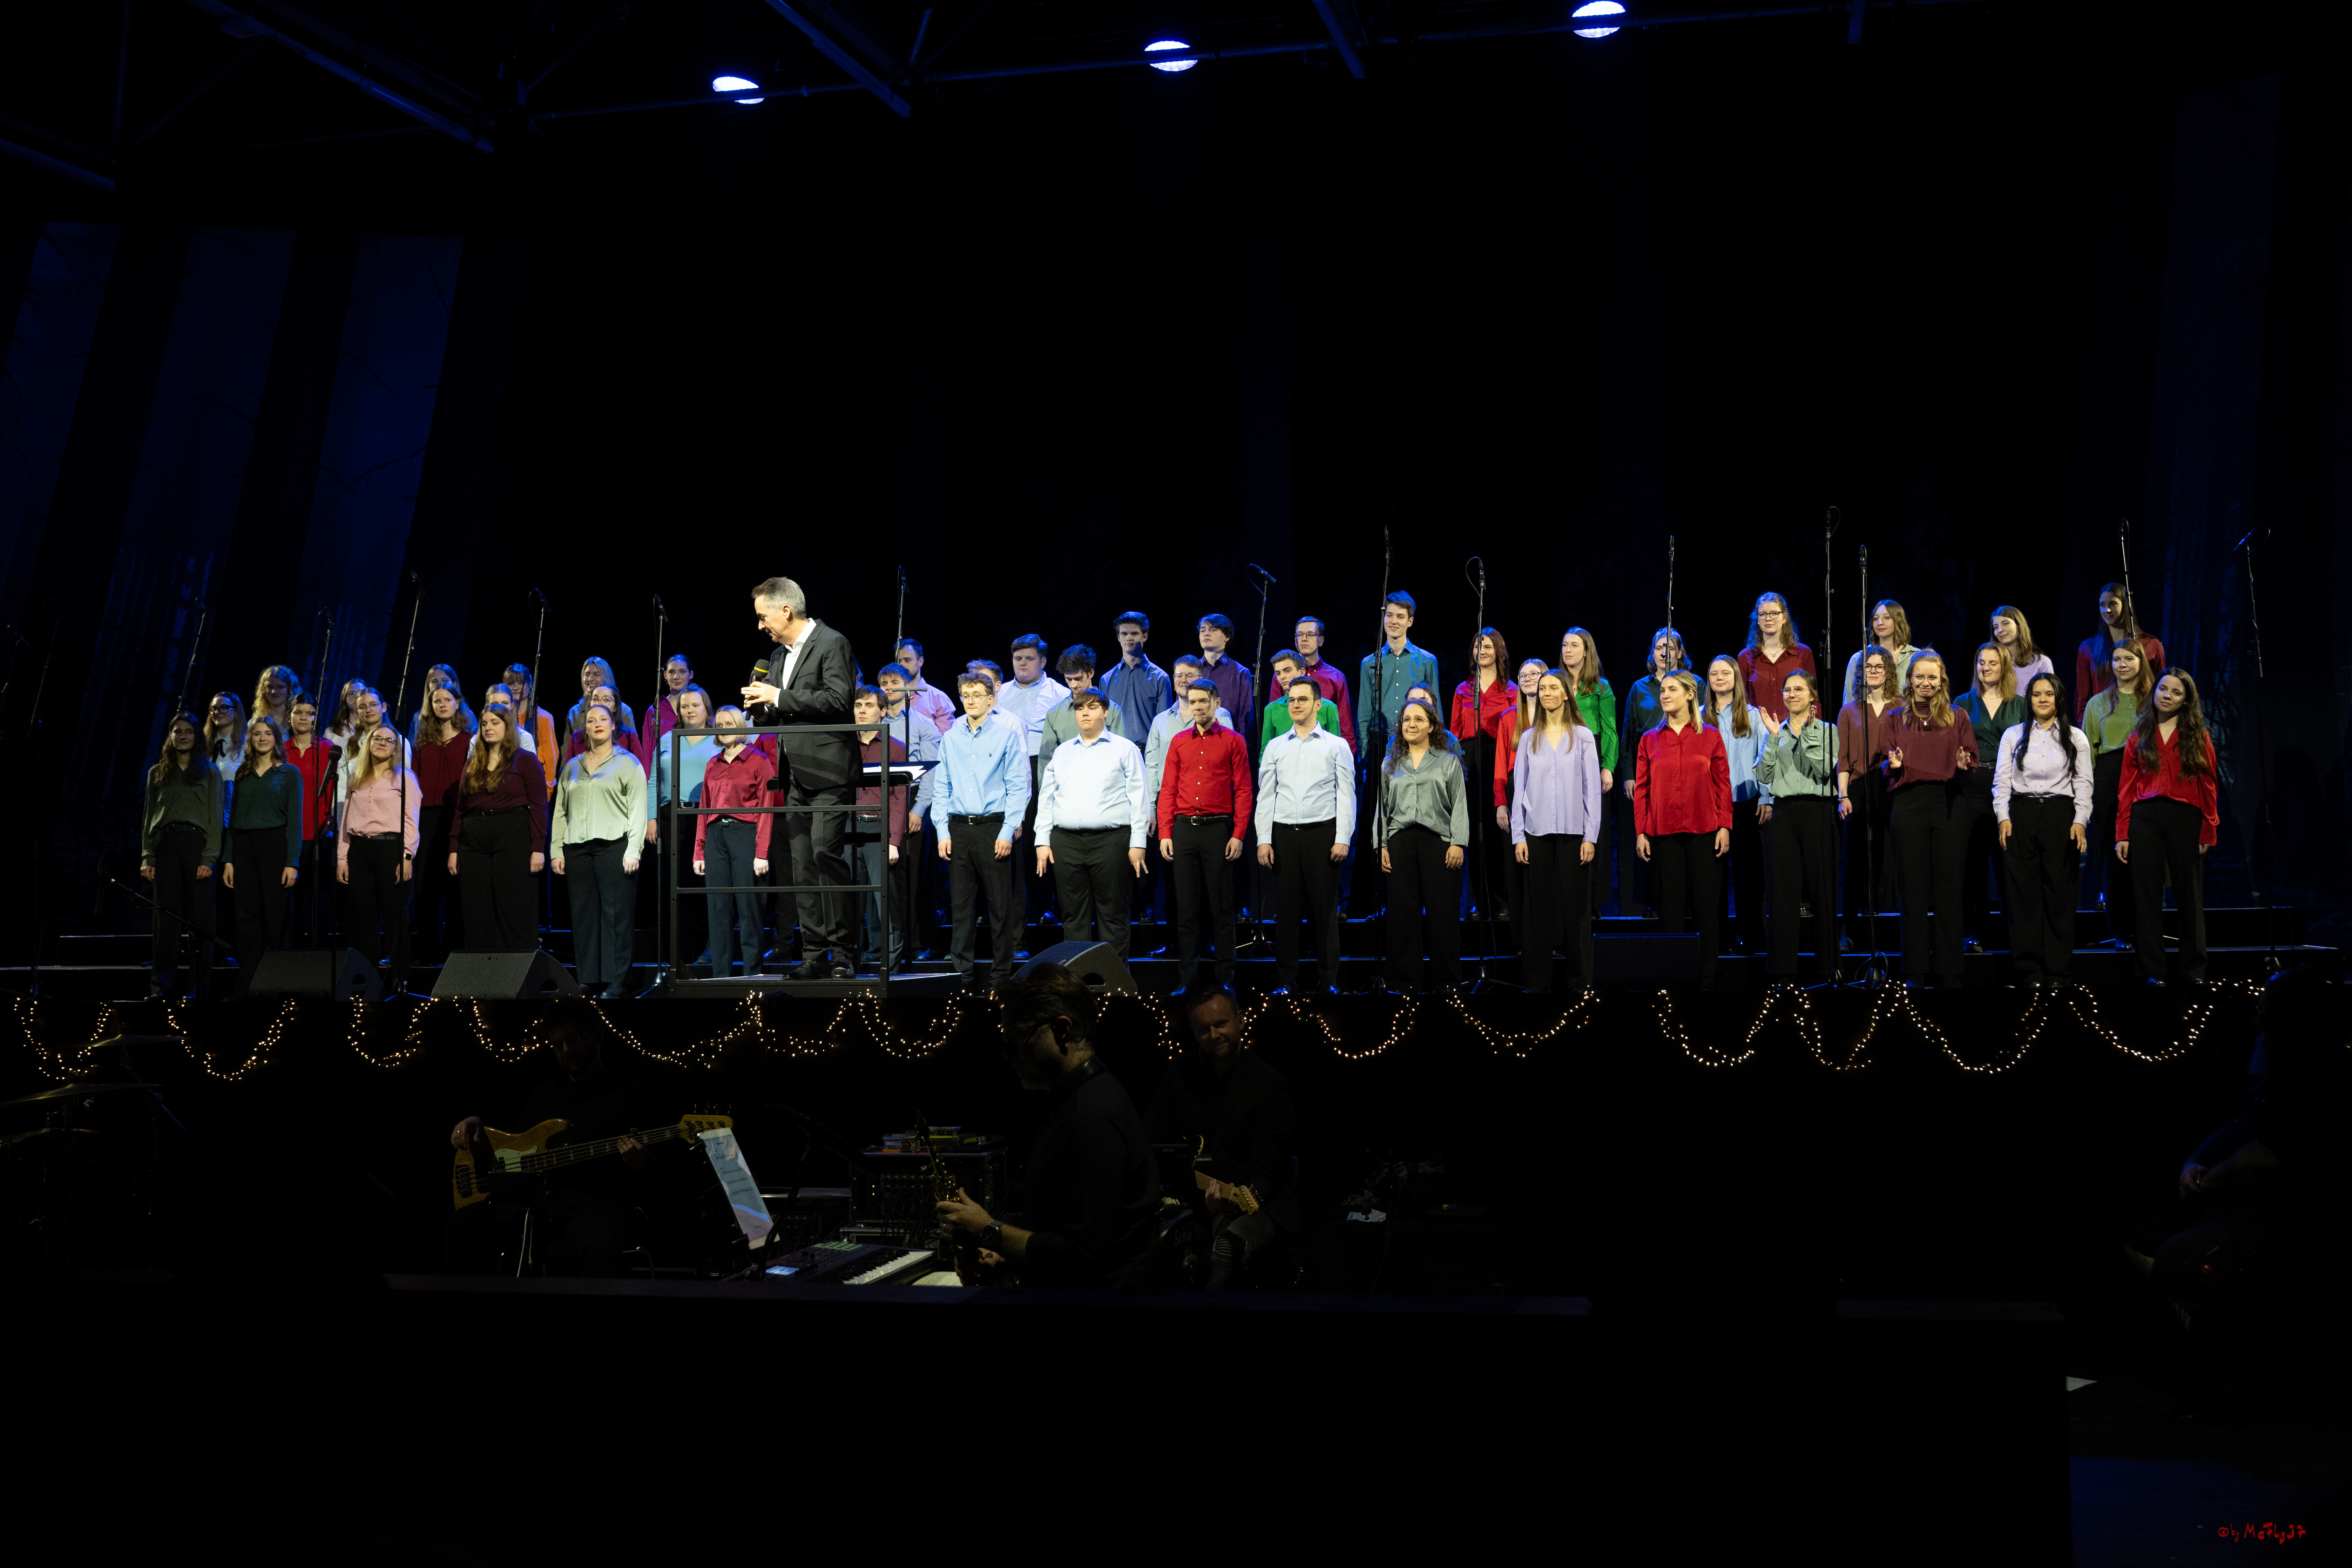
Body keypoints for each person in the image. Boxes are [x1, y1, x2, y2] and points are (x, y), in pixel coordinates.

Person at [2122, 967, 2349, 1395]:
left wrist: (2209, 1183)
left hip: (2279, 1217)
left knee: (2175, 1255)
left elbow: (2267, 1158)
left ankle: (2242, 1345)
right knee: (2143, 1238)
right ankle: (2218, 1335)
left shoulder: (2319, 1076)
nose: (2259, 1020)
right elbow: (2235, 1128)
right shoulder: (2279, 1072)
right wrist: (2195, 1162)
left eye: (2269, 1010)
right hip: (2235, 1204)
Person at [933, 965, 1161, 1289]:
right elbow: (1062, 1231)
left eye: (1017, 1037)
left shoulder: (1092, 1117)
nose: (1007, 1054)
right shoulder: (1087, 1099)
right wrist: (1010, 1252)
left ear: (1062, 1031)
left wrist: (990, 1232)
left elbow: (1082, 1257)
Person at [446, 1001, 663, 1277]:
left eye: (573, 1040)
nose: (565, 1051)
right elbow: (512, 1150)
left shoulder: (631, 1096)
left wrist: (640, 1164)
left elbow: (662, 1174)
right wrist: (477, 1125)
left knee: (601, 1242)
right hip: (533, 1205)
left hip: (595, 1204)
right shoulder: (544, 1095)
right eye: (557, 1045)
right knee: (461, 1225)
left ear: (597, 1036)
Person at [742, 575, 860, 979]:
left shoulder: (832, 643)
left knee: (826, 854)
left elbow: (839, 699)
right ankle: (813, 953)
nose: (761, 626)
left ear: (785, 610)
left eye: (763, 617)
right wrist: (761, 705)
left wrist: (779, 697)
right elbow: (779, 713)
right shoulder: (776, 658)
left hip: (829, 771)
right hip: (794, 775)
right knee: (802, 864)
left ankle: (843, 951)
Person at [1147, 988, 1304, 1290]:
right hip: (1193, 1198)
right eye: (1204, 1030)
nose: (1214, 1035)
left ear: (1241, 1021)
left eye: (1221, 1024)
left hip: (1255, 1203)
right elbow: (1150, 1139)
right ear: (1193, 1033)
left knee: (1226, 1248)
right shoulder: (1180, 1074)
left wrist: (1231, 1202)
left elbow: (1266, 1177)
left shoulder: (1268, 1085)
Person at [2117, 668, 2218, 987]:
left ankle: (2194, 971)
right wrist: (2122, 832)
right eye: (2164, 689)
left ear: (2187, 700)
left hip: (2186, 818)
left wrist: (2209, 828)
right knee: (2146, 897)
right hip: (2145, 818)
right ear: (2155, 692)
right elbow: (2126, 789)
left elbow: (2209, 784)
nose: (2168, 696)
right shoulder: (2139, 736)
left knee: (2190, 895)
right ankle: (2152, 971)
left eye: (2177, 692)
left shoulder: (2198, 736)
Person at [1035, 688, 1149, 968]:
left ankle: (1115, 982)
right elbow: (1046, 797)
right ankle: (1079, 982)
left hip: (1111, 840)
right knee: (1073, 915)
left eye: (1093, 707)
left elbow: (1139, 797)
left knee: (1113, 915)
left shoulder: (1125, 749)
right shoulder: (1062, 752)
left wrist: (1138, 843)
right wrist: (1042, 840)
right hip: (1066, 841)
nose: (1085, 713)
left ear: (1106, 712)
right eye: (1079, 708)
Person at [1255, 676, 1355, 994]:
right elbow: (1266, 796)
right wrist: (1263, 839)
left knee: (1325, 911)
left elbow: (1347, 796)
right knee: (1286, 912)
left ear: (1318, 704)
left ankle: (1329, 980)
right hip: (1284, 836)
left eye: (1301, 699)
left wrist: (1343, 838)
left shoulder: (1336, 746)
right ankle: (1287, 981)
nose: (1295, 704)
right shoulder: (1275, 746)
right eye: (1291, 700)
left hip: (1323, 835)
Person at [1882, 652, 1976, 988]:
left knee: (1950, 888)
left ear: (1942, 682)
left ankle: (1950, 970)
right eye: (1919, 677)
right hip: (1908, 803)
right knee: (1913, 889)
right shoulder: (1895, 718)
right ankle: (1916, 971)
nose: (1926, 683)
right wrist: (1892, 765)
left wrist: (1964, 763)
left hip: (1949, 802)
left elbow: (1970, 756)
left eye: (1932, 678)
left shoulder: (1958, 716)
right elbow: (1886, 758)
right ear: (1910, 680)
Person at [1992, 674, 2093, 986]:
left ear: (2059, 698)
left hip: (2060, 815)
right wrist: (2003, 817)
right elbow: (2001, 781)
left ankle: (2058, 970)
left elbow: (2085, 783)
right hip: (2021, 814)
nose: (2043, 699)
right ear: (2030, 700)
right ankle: (2029, 971)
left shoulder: (2076, 737)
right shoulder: (2013, 735)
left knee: (2060, 894)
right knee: (2023, 895)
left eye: (2049, 694)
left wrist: (2080, 821)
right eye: (2037, 695)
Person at [1633, 671, 1732, 988]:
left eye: (1672, 690)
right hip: (1664, 835)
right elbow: (1642, 791)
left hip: (1705, 831)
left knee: (1706, 910)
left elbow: (1723, 786)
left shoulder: (1711, 737)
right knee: (1670, 910)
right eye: (1662, 690)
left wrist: (1725, 826)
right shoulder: (1649, 739)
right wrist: (1641, 832)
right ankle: (1674, 976)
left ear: (1691, 695)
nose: (1664, 695)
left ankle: (1706, 977)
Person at [933, 671, 1030, 992]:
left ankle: (1001, 975)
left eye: (977, 694)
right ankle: (962, 975)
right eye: (966, 694)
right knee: (961, 907)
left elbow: (1018, 787)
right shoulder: (951, 736)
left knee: (1000, 907)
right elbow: (941, 787)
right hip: (959, 829)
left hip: (993, 829)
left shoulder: (1006, 736)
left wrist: (1008, 831)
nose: (971, 700)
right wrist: (942, 830)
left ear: (991, 699)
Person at [1158, 679, 1252, 995]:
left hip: (1218, 829)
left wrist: (1239, 834)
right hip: (1184, 829)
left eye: (1203, 702)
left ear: (1216, 702)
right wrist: (1165, 833)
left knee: (1221, 908)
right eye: (1193, 702)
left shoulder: (1233, 741)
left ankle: (1225, 978)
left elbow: (1243, 790)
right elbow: (1168, 789)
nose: (1197, 707)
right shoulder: (1179, 742)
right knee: (1186, 910)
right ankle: (1188, 980)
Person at [1511, 668, 1602, 992]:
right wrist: (1518, 836)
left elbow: (1592, 789)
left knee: (1575, 909)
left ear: (1566, 694)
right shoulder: (1527, 738)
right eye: (1543, 687)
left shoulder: (1583, 736)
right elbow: (1519, 788)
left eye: (1553, 687)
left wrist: (1591, 836)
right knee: (1538, 908)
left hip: (1573, 832)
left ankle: (1580, 982)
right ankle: (1537, 984)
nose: (1546, 692)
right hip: (1536, 833)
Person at [551, 702, 646, 998]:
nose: (597, 725)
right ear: (585, 728)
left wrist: (634, 850)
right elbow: (560, 813)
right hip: (578, 849)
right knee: (584, 915)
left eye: (603, 719)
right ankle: (588, 978)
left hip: (614, 848)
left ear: (614, 725)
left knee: (616, 915)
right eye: (591, 721)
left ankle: (617, 980)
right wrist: (557, 850)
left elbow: (639, 811)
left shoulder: (628, 763)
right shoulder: (571, 767)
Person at [1376, 696, 1470, 993]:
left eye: (1418, 719)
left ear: (1431, 726)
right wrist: (1381, 845)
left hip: (1439, 843)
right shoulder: (1391, 764)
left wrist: (1458, 843)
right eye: (1406, 720)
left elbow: (1460, 806)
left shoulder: (1447, 761)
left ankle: (1446, 983)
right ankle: (1404, 983)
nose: (1411, 724)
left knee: (1443, 915)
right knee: (1403, 915)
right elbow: (1382, 809)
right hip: (1400, 842)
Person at [1755, 670, 1840, 984]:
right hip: (1786, 813)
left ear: (1812, 695)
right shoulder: (1773, 733)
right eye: (1788, 690)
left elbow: (1821, 769)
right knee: (1782, 892)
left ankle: (1828, 968)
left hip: (1819, 812)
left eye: (1799, 689)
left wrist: (1805, 734)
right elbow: (1764, 777)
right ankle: (1782, 969)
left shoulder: (1829, 730)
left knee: (1823, 891)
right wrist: (1775, 738)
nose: (1792, 695)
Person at [1142, 656, 1230, 954]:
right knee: (1174, 883)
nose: (1182, 679)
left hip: (1210, 812)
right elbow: (1152, 767)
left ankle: (1207, 942)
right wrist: (1154, 810)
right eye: (1178, 675)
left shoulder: (1223, 716)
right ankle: (1174, 943)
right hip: (1174, 812)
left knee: (1209, 887)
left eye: (1189, 674)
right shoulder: (1161, 720)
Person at [448, 704, 548, 953]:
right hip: (475, 839)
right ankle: (482, 976)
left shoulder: (525, 761)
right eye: (484, 724)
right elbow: (461, 808)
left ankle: (517, 974)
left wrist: (538, 848)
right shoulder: (473, 762)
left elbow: (539, 806)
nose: (488, 728)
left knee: (514, 906)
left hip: (513, 834)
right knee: (477, 908)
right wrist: (454, 848)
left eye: (495, 723)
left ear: (508, 727)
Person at [141, 712, 224, 999]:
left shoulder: (210, 772)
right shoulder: (158, 773)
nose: (183, 736)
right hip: (165, 846)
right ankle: (162, 987)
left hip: (196, 846)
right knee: (165, 920)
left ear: (197, 737)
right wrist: (147, 856)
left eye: (189, 732)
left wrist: (210, 857)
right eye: (178, 732)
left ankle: (198, 988)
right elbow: (149, 817)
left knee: (201, 921)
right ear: (171, 736)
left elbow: (215, 818)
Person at [1953, 643, 2026, 956]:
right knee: (1973, 864)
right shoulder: (1962, 703)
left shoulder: (2021, 705)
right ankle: (1974, 933)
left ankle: (2014, 936)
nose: (1986, 668)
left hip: (2010, 787)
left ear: (2004, 667)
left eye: (1993, 663)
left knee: (2009, 863)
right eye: (1981, 662)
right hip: (1972, 785)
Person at [221, 715, 302, 997]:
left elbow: (296, 822)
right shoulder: (242, 774)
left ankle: (279, 984)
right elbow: (233, 821)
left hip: (274, 845)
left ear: (277, 740)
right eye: (257, 734)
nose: (263, 738)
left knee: (275, 916)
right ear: (251, 739)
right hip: (243, 847)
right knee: (247, 918)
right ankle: (250, 984)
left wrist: (292, 862)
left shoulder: (289, 774)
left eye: (268, 733)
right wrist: (229, 859)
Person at [337, 724, 421, 992]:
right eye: (378, 738)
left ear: (397, 748)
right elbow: (345, 823)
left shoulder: (405, 778)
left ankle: (400, 981)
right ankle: (369, 980)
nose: (383, 743)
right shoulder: (356, 777)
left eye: (390, 740)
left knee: (396, 921)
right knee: (365, 922)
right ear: (368, 743)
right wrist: (342, 859)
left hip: (391, 851)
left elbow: (411, 820)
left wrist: (407, 856)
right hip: (360, 852)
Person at [694, 705, 775, 978]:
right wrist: (699, 851)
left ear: (740, 725)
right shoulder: (712, 764)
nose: (725, 728)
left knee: (749, 908)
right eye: (719, 725)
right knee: (718, 909)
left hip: (746, 835)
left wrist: (761, 852)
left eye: (730, 723)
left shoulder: (759, 761)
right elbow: (704, 809)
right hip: (717, 835)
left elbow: (766, 808)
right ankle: (721, 978)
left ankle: (752, 975)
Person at [2082, 638, 2152, 948]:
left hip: (2146, 775)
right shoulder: (2097, 703)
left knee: (2145, 856)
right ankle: (2121, 932)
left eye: (2129, 659)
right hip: (2109, 779)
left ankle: (2147, 929)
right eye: (2117, 660)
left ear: (2141, 662)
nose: (2122, 665)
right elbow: (2088, 752)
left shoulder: (2153, 699)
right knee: (2114, 859)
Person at [1702, 654, 1772, 958]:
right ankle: (1719, 940)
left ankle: (1752, 938)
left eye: (1726, 673)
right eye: (1714, 673)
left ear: (1736, 679)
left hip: (1745, 804)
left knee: (1749, 877)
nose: (1720, 678)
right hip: (1710, 807)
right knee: (1713, 878)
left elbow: (1766, 755)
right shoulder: (1700, 715)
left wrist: (1767, 796)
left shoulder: (1753, 715)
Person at [876, 664, 943, 966]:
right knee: (887, 879)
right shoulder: (874, 725)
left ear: (909, 687)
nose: (889, 686)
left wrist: (918, 810)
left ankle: (918, 943)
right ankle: (890, 942)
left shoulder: (923, 725)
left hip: (914, 800)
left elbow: (931, 772)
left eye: (895, 682)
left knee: (914, 878)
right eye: (884, 682)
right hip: (882, 800)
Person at [1619, 626, 1686, 919]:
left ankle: (1682, 902)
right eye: (1660, 646)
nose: (1665, 652)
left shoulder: (1694, 683)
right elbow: (1628, 735)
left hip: (1684, 769)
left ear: (1680, 653)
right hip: (1649, 770)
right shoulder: (1639, 688)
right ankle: (1653, 901)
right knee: (1648, 831)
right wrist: (1629, 775)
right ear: (1653, 652)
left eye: (1671, 647)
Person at [649, 685, 718, 968]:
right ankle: (678, 954)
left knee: (705, 885)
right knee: (675, 886)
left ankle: (709, 950)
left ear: (707, 709)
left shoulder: (717, 738)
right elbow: (654, 779)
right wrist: (650, 818)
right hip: (671, 818)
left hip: (707, 818)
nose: (690, 711)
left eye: (695, 705)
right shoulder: (668, 738)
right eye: (685, 707)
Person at [1837, 647, 1901, 949]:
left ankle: (1887, 925)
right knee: (1856, 858)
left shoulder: (1901, 706)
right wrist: (1843, 796)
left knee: (1889, 855)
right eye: (1869, 667)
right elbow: (1844, 760)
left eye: (1879, 666)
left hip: (1892, 784)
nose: (1874, 671)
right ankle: (1849, 929)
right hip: (1860, 788)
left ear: (1889, 671)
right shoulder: (1850, 710)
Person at [1451, 628, 1516, 921]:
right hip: (1469, 760)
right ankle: (1478, 901)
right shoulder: (1464, 690)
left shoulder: (1512, 690)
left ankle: (1502, 901)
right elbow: (1453, 733)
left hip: (1498, 759)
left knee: (1497, 833)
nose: (1483, 651)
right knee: (1474, 832)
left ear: (1499, 651)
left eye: (1488, 646)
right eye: (1478, 646)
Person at [847, 686, 910, 975]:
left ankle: (891, 970)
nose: (862, 710)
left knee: (885, 904)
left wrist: (893, 841)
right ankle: (850, 966)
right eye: (858, 705)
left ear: (883, 711)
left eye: (869, 705)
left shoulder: (894, 748)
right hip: (849, 829)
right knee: (850, 904)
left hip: (878, 829)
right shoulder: (845, 745)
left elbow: (899, 799)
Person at [411, 684, 475, 964]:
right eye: (436, 701)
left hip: (455, 813)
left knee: (454, 880)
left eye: (447, 700)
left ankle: (454, 948)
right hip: (427, 816)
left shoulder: (468, 740)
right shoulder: (422, 742)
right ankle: (427, 947)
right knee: (427, 883)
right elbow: (414, 781)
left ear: (458, 703)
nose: (442, 705)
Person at [1557, 628, 1618, 917]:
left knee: (1594, 826)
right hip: (1560, 752)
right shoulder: (1554, 684)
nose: (1568, 650)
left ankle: (1592, 899)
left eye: (1574, 646)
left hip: (1591, 752)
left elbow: (1610, 730)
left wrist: (1607, 767)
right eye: (1565, 645)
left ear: (1586, 651)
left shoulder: (1601, 687)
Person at [2075, 582, 2165, 724]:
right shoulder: (2088, 648)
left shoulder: (2151, 645)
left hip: (2139, 724)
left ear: (2126, 605)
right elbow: (2082, 697)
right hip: (2102, 724)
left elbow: (2160, 689)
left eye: (2113, 604)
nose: (2107, 610)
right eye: (2103, 605)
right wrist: (2084, 729)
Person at [285, 696, 333, 945]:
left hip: (318, 834)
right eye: (299, 712)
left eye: (310, 713)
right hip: (288, 834)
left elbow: (336, 790)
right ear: (290, 716)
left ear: (316, 717)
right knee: (288, 897)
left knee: (318, 897)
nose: (304, 718)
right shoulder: (281, 749)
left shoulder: (328, 749)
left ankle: (318, 951)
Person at [1037, 645, 1129, 775]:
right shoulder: (1054, 715)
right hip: (1067, 787)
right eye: (1069, 679)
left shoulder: (1112, 710)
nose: (1074, 685)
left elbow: (1121, 754)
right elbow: (1046, 761)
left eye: (1078, 679)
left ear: (1091, 673)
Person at [1736, 591, 1815, 723]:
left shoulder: (1803, 653)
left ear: (1784, 618)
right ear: (1758, 619)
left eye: (1774, 613)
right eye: (1763, 614)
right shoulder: (1745, 657)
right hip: (1758, 731)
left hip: (1797, 731)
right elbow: (1740, 701)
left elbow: (1814, 699)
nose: (1768, 618)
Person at [1274, 615, 1354, 742]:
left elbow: (1345, 726)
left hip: (1324, 752)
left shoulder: (1336, 677)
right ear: (1295, 640)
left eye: (1310, 635)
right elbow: (1275, 715)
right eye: (1300, 635)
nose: (1304, 639)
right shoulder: (1282, 675)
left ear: (1321, 641)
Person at [1103, 611, 1175, 747]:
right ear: (1119, 637)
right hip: (1116, 750)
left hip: (1147, 751)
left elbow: (1164, 724)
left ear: (1145, 636)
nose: (1129, 638)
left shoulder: (1160, 678)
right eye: (1124, 634)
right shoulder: (1106, 680)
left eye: (1134, 634)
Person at [1840, 600, 1919, 709]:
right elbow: (1850, 700)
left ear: (1898, 621)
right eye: (1876, 619)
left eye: (1887, 618)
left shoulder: (1915, 658)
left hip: (1906, 722)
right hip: (1870, 722)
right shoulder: (1859, 658)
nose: (1880, 623)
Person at [1259, 650, 1341, 751]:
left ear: (1302, 672)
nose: (1282, 677)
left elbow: (1336, 749)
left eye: (1287, 671)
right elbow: (1266, 753)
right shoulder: (1272, 710)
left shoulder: (1328, 707)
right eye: (1278, 673)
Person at [1194, 613, 1255, 745]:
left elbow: (1246, 721)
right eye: (1203, 630)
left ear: (1227, 637)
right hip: (1194, 742)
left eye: (1213, 630)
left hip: (1227, 744)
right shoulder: (1192, 671)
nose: (1206, 633)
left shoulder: (1241, 673)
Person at [500, 664, 558, 792]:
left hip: (535, 787)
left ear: (530, 685)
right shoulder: (501, 719)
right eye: (510, 684)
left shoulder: (544, 718)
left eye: (521, 683)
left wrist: (546, 792)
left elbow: (551, 760)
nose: (516, 688)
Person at [891, 637, 960, 735]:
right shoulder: (891, 695)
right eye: (899, 661)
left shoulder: (939, 699)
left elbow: (944, 741)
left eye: (907, 660)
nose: (902, 666)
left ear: (921, 661)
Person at [564, 656, 636, 745]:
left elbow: (632, 743)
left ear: (606, 677)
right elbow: (567, 750)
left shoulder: (624, 710)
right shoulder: (574, 713)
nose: (590, 679)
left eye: (596, 674)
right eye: (587, 675)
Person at [1990, 606, 2053, 687]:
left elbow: (2047, 697)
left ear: (2019, 625)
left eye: (2005, 624)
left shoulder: (2041, 663)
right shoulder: (1990, 662)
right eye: (1996, 627)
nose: (2000, 630)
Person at [404, 664, 461, 748]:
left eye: (445, 681)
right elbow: (412, 752)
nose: (440, 685)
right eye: (434, 682)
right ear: (428, 686)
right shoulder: (418, 718)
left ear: (455, 684)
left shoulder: (467, 716)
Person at [250, 665, 300, 737]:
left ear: (290, 690)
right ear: (263, 689)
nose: (274, 692)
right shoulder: (256, 721)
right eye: (270, 687)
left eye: (281, 687)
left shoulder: (297, 721)